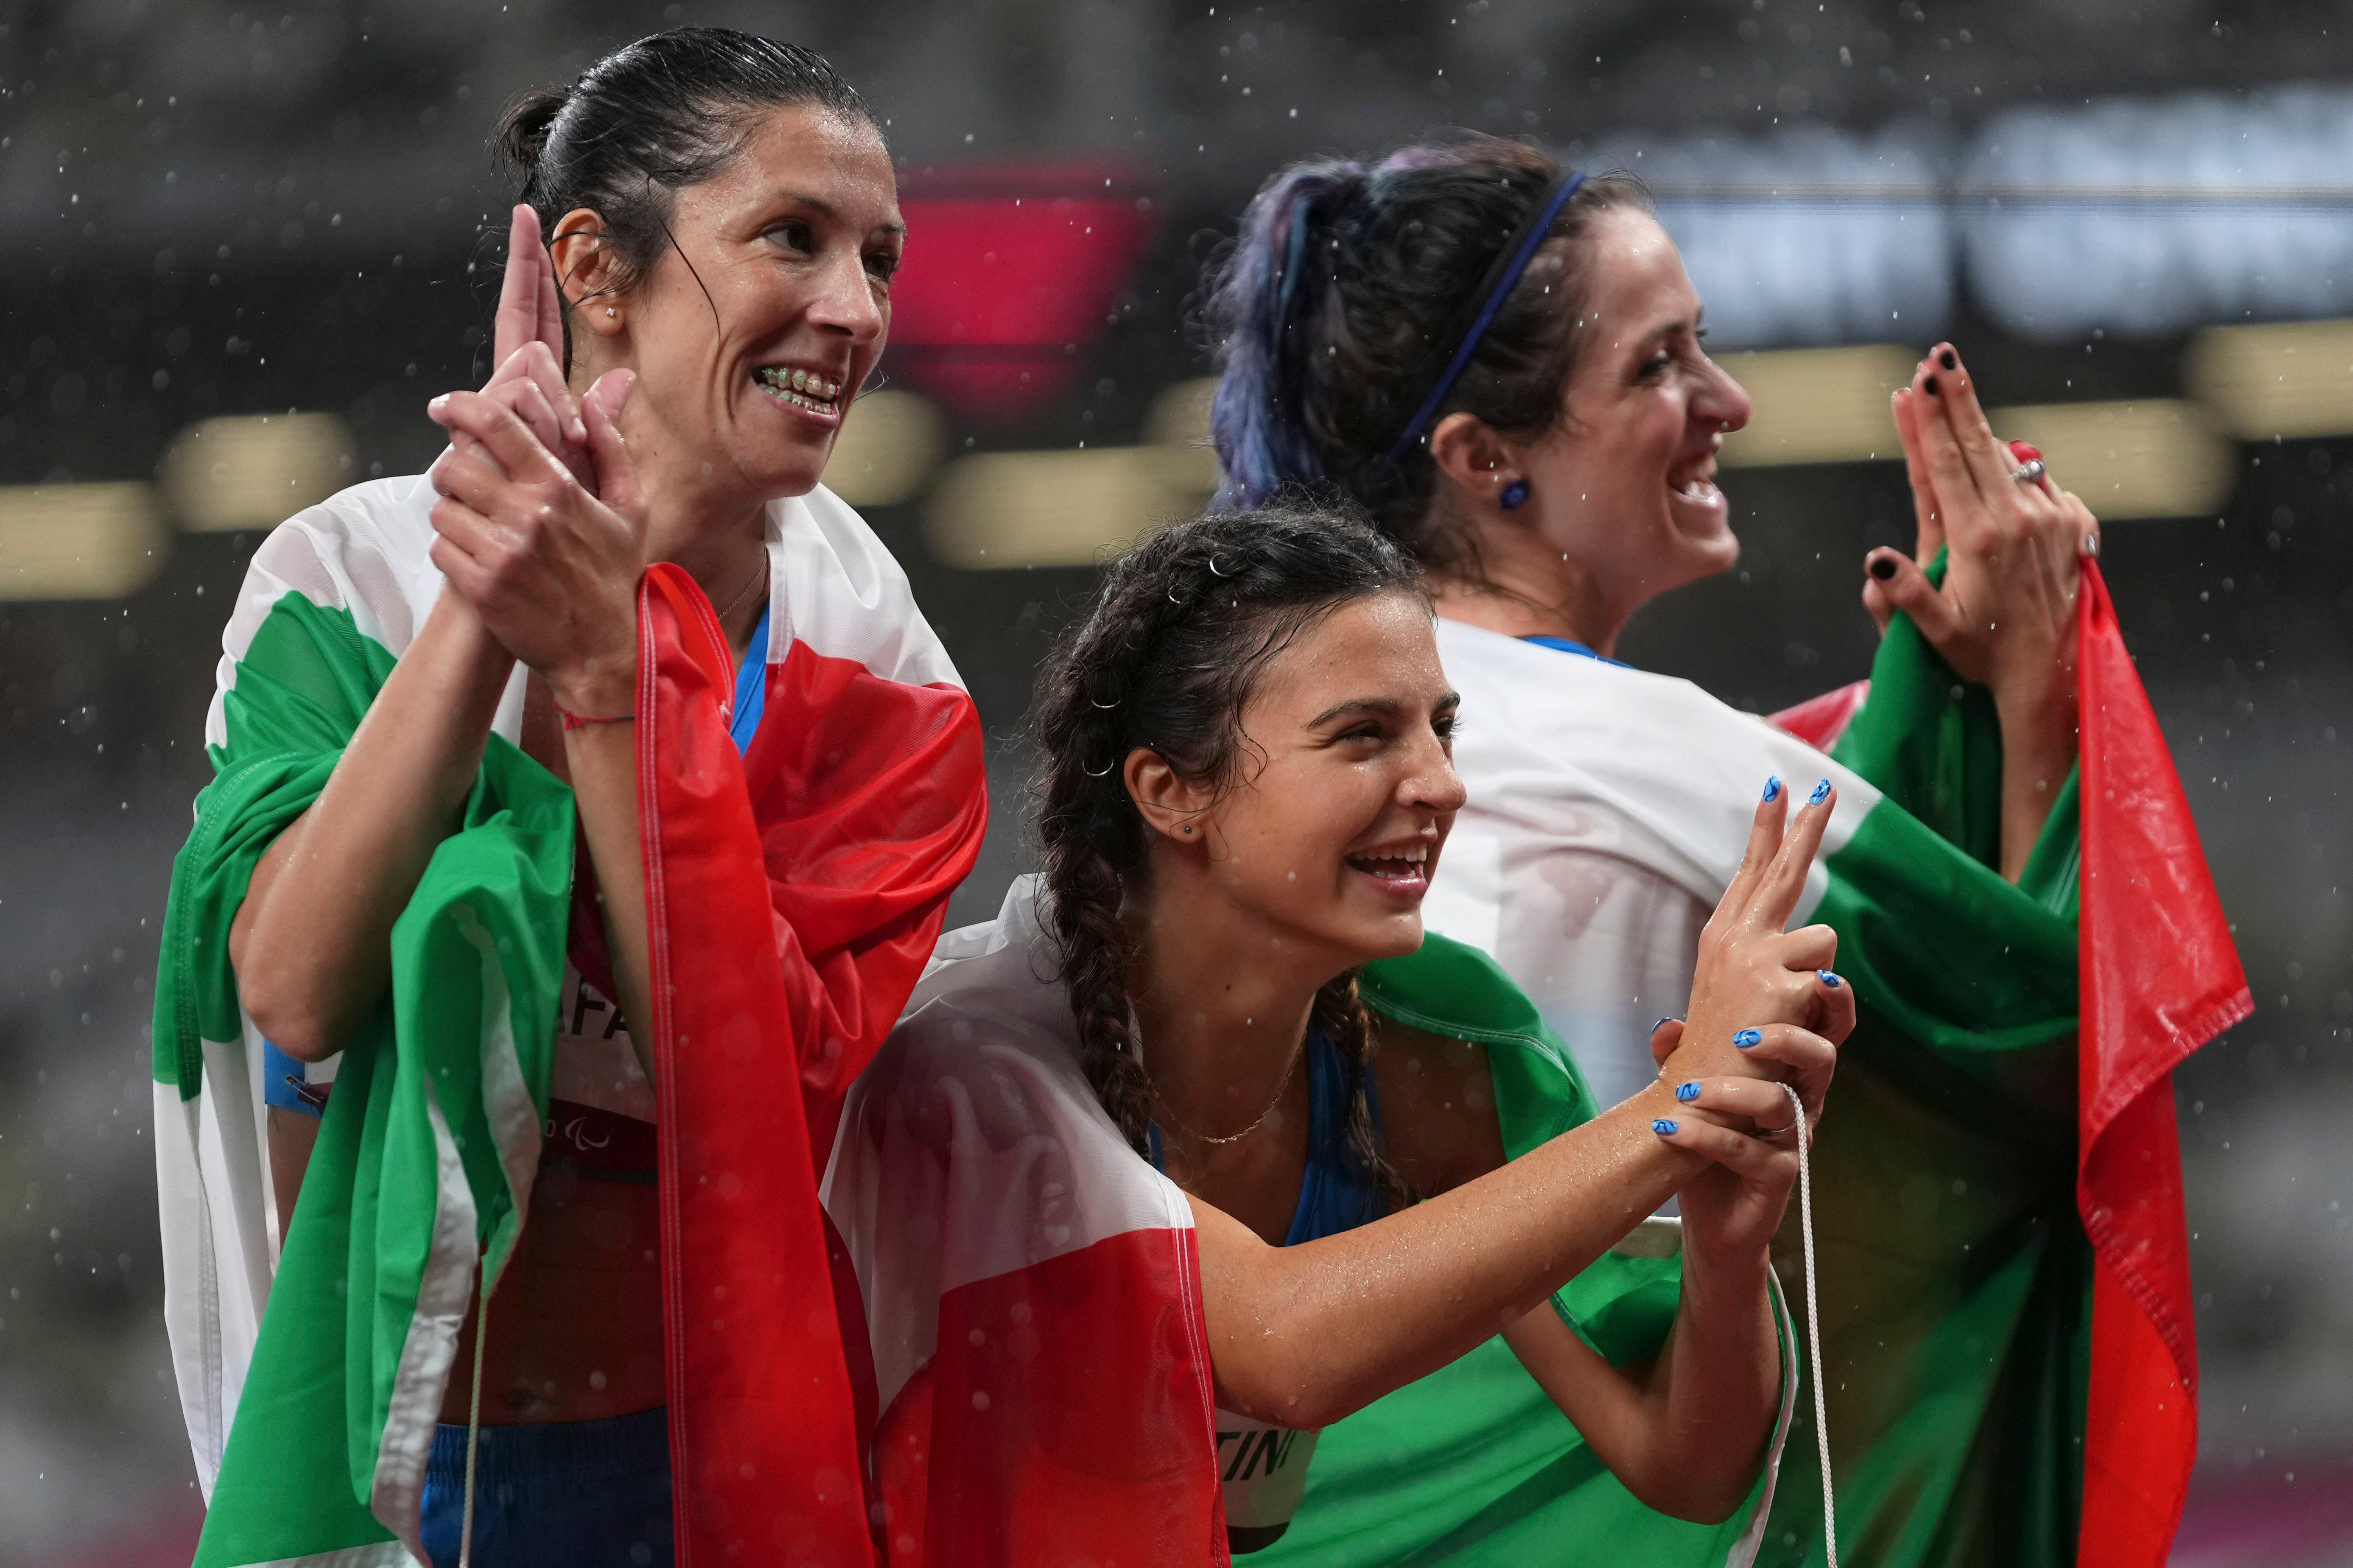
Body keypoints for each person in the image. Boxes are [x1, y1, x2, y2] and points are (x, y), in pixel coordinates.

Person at [1197, 137, 2107, 1564]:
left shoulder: (1265, 750)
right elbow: (2033, 1028)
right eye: (1656, 364)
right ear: (1481, 456)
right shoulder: (1649, 751)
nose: (1724, 400)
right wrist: (2031, 695)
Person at [152, 30, 986, 1568]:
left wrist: (612, 678)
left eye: (878, 257)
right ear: (597, 267)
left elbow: (742, 1091)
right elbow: (292, 984)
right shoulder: (343, 581)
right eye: (789, 240)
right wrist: (494, 587)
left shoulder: (881, 673)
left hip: (706, 1471)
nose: (855, 310)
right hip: (375, 1456)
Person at [825, 502, 1855, 1566]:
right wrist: (1673, 1114)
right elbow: (1282, 1349)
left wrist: (1727, 1243)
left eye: (1440, 727)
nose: (1443, 784)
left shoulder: (1437, 1046)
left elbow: (1681, 1462)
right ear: (1171, 791)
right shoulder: (974, 1069)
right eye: (1363, 734)